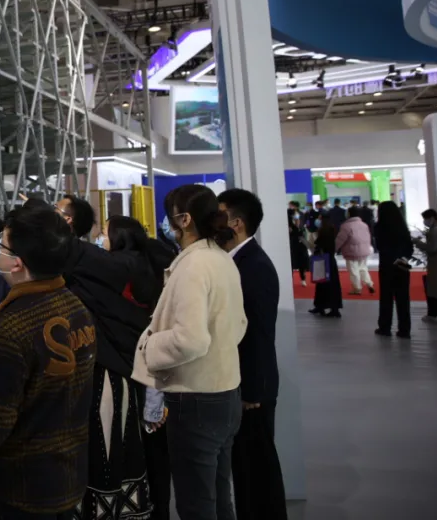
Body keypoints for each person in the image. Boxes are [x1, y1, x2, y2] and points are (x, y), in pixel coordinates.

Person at [0, 206, 97, 520]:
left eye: (2, 244)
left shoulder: (11, 330)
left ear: (17, 263)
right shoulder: (76, 308)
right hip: (68, 471)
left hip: (21, 485)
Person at [132, 184, 247, 520]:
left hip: (195, 398)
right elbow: (239, 324)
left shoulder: (194, 265)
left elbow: (191, 339)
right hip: (225, 391)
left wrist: (149, 346)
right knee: (218, 497)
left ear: (183, 219)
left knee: (196, 504)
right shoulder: (220, 258)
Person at [94, 215, 174, 520]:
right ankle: (159, 508)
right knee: (157, 453)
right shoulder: (152, 264)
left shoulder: (120, 273)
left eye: (105, 233)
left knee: (138, 448)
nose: (101, 239)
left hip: (134, 372)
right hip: (156, 375)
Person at [217, 190, 289, 520]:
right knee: (246, 468)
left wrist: (252, 391)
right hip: (244, 384)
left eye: (218, 215)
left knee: (257, 470)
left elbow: (257, 334)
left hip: (253, 390)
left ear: (236, 223)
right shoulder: (237, 262)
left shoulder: (254, 266)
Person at [373, 200, 414, 338]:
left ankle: (385, 327)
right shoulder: (403, 227)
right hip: (402, 265)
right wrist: (402, 257)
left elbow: (380, 246)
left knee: (386, 297)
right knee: (403, 298)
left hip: (387, 265)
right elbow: (410, 248)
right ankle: (404, 329)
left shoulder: (380, 227)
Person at [336, 206, 375, 295]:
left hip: (351, 251)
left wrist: (334, 248)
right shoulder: (364, 224)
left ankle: (357, 288)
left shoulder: (346, 226)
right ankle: (369, 284)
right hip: (364, 250)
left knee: (354, 270)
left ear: (349, 214)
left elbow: (340, 240)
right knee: (363, 268)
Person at [309, 223, 344, 318]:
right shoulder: (331, 237)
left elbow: (317, 247)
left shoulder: (322, 239)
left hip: (323, 262)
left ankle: (320, 306)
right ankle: (334, 308)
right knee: (333, 285)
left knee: (322, 285)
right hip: (331, 262)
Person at [414, 209, 437, 322]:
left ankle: (432, 314)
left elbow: (432, 248)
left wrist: (417, 242)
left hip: (435, 263)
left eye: (425, 219)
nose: (425, 221)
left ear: (432, 218)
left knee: (433, 289)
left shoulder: (435, 231)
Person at [288, 208, 310, 287]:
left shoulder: (301, 225)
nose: (297, 215)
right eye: (295, 214)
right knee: (291, 264)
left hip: (301, 248)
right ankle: (290, 280)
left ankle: (303, 279)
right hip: (293, 247)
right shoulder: (289, 226)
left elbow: (303, 236)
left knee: (302, 264)